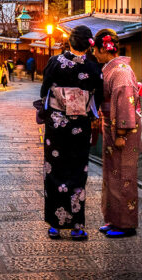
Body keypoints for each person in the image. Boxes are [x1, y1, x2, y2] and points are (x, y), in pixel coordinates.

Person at [39, 25, 102, 240]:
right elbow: (98, 96)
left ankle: (55, 225)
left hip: (57, 125)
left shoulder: (55, 62)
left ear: (70, 41)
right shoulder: (93, 67)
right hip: (80, 126)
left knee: (54, 170)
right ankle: (77, 226)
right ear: (88, 44)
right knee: (77, 171)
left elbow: (44, 89)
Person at [93, 29, 142, 238]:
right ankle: (114, 219)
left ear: (103, 49)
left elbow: (126, 104)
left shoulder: (121, 72)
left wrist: (121, 133)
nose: (94, 55)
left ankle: (125, 224)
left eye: (95, 50)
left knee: (124, 175)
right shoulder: (112, 69)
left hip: (123, 130)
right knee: (112, 173)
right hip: (111, 126)